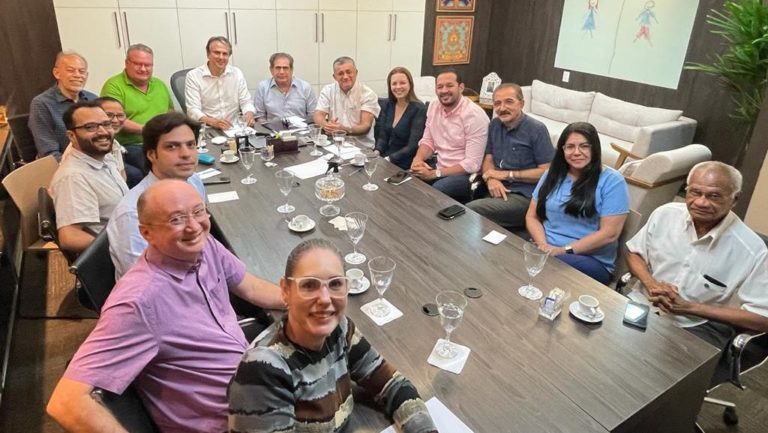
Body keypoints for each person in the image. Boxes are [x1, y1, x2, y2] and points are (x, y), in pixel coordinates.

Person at [47, 180, 284, 433]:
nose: (194, 226)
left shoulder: (205, 247)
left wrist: (306, 300)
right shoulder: (138, 303)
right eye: (176, 219)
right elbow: (66, 402)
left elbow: (252, 288)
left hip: (254, 384)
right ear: (146, 233)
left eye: (198, 211)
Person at [228, 239, 437, 433]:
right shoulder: (262, 369)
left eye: (335, 284)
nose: (325, 299)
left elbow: (392, 384)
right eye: (309, 285)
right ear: (285, 290)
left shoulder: (340, 330)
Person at [626, 161, 768, 385]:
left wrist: (691, 307)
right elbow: (634, 253)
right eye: (695, 192)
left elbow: (762, 319)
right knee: (599, 351)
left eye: (714, 196)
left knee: (659, 384)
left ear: (735, 199)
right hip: (641, 303)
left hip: (698, 325)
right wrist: (651, 283)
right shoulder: (665, 214)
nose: (701, 202)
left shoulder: (752, 250)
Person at [525, 122, 628, 284]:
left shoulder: (613, 181)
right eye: (570, 147)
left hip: (589, 259)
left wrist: (563, 250)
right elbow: (532, 216)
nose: (577, 152)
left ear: (594, 148)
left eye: (584, 146)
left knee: (544, 269)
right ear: (562, 150)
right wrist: (543, 245)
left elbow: (610, 234)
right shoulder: (551, 174)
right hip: (547, 249)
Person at [108, 112, 206, 279]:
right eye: (172, 147)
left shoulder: (193, 181)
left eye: (191, 145)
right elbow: (143, 280)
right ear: (151, 154)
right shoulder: (133, 214)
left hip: (198, 269)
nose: (186, 154)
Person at [466, 83, 554, 231]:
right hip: (496, 188)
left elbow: (546, 172)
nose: (502, 108)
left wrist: (506, 175)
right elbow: (488, 159)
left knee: (470, 211)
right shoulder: (494, 125)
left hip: (524, 196)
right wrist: (491, 179)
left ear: (521, 104)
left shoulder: (537, 129)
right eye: (497, 103)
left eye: (509, 102)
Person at [49, 100, 129, 254]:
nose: (103, 132)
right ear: (71, 136)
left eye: (106, 124)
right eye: (91, 127)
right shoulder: (74, 177)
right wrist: (123, 246)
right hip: (120, 253)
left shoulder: (104, 157)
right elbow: (70, 237)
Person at [410, 69, 489, 203]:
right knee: (408, 184)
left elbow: (472, 164)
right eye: (440, 87)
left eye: (449, 85)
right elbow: (428, 140)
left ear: (461, 87)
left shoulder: (474, 115)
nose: (444, 90)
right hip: (439, 166)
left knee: (433, 193)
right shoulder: (434, 106)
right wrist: (418, 160)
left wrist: (435, 174)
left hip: (466, 175)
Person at [101, 44, 174, 175]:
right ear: (126, 63)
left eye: (148, 65)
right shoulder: (114, 86)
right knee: (161, 166)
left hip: (162, 140)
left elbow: (170, 112)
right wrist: (148, 131)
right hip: (134, 145)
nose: (143, 69)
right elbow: (113, 119)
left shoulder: (159, 84)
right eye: (138, 64)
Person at [28, 51, 98, 160]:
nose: (77, 75)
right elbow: (49, 154)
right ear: (57, 73)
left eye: (82, 71)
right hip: (64, 164)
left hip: (96, 160)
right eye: (71, 70)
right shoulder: (42, 104)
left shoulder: (93, 99)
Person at [185, 36, 256, 130]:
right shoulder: (193, 76)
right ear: (208, 54)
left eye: (225, 54)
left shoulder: (237, 73)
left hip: (234, 128)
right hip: (208, 128)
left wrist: (249, 114)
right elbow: (193, 110)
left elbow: (246, 102)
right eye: (217, 53)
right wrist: (213, 122)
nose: (221, 57)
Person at [314, 56, 380, 148]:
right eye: (340, 73)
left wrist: (343, 130)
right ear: (334, 77)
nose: (345, 77)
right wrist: (327, 126)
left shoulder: (368, 94)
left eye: (349, 72)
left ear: (356, 73)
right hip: (335, 145)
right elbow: (318, 115)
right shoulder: (328, 90)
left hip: (361, 148)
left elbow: (365, 126)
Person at [374, 66, 426, 170]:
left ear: (410, 84)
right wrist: (376, 152)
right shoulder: (387, 104)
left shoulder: (419, 108)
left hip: (406, 162)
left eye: (402, 83)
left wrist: (389, 159)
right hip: (386, 157)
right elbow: (383, 137)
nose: (398, 87)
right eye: (394, 83)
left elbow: (412, 146)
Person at [253, 52, 317, 122]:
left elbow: (312, 116)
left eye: (285, 68)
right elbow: (260, 116)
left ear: (291, 70)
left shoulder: (305, 88)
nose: (282, 72)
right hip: (272, 128)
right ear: (271, 70)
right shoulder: (263, 88)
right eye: (278, 68)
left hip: (301, 128)